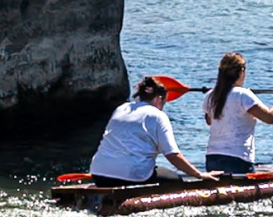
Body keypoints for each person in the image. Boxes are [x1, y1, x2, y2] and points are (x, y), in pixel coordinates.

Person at [89, 76, 221, 187]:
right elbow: (173, 155)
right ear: (159, 99)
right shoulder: (157, 116)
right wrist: (199, 174)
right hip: (131, 176)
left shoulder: (122, 108)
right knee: (176, 181)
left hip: (99, 174)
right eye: (164, 102)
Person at [203, 52, 273, 174]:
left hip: (212, 158)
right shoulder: (243, 95)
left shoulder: (210, 95)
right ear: (241, 72)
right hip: (238, 159)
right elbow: (270, 117)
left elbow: (209, 121)